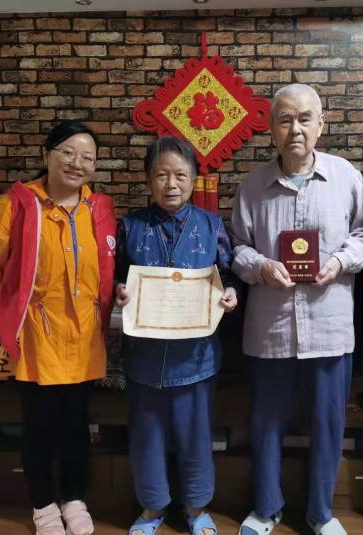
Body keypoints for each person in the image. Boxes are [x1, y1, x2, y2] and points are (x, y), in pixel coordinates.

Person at [230, 83, 363, 535]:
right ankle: (266, 508)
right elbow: (236, 247)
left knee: (328, 424)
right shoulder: (251, 186)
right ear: (271, 128)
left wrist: (339, 262)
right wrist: (261, 267)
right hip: (269, 329)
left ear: (321, 125)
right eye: (285, 119)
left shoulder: (346, 177)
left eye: (304, 118)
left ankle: (320, 514)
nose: (295, 128)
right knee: (266, 423)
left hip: (330, 326)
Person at [0, 121, 116, 535]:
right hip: (38, 338)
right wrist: (14, 315)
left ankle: (74, 498)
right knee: (38, 426)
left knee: (76, 425)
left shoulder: (98, 209)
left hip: (85, 338)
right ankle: (42, 504)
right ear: (47, 155)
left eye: (87, 157)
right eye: (67, 152)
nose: (77, 163)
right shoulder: (16, 207)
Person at [114, 136, 239, 535]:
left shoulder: (212, 225)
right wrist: (119, 290)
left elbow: (229, 274)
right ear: (148, 180)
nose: (171, 184)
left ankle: (196, 509)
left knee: (196, 436)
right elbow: (115, 276)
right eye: (161, 175)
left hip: (196, 358)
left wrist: (231, 292)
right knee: (147, 436)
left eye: (180, 175)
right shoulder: (130, 226)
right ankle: (152, 509)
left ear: (194, 178)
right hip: (144, 357)